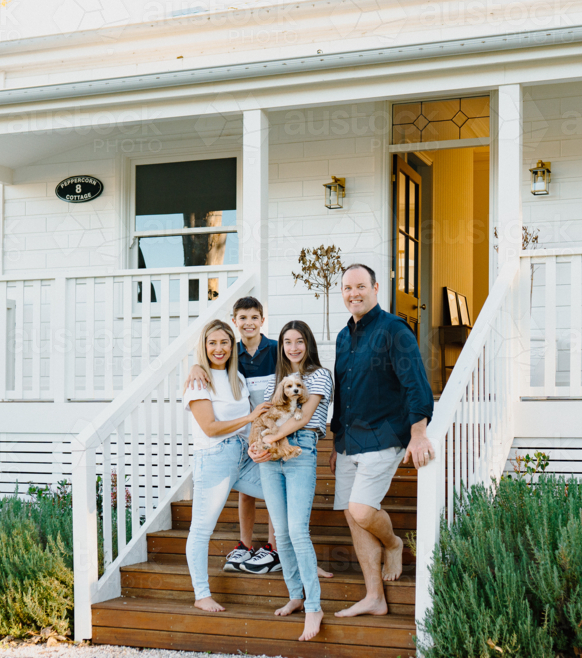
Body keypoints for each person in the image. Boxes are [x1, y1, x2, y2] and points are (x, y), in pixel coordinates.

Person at [185, 297, 333, 579]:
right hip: (246, 431)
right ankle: (245, 544)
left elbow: (296, 392)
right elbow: (210, 364)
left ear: (262, 320)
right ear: (235, 321)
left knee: (276, 489)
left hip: (277, 427)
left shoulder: (277, 350)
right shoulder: (231, 352)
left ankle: (275, 547)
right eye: (242, 318)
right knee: (250, 492)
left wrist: (274, 433)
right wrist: (195, 367)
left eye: (254, 317)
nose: (249, 323)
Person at [330, 263, 434, 618]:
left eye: (360, 286)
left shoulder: (394, 330)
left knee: (362, 510)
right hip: (349, 441)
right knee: (352, 516)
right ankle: (374, 596)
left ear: (375, 288)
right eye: (347, 288)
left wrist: (417, 434)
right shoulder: (344, 337)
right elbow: (342, 394)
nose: (353, 293)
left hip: (384, 435)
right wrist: (336, 440)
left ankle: (393, 543)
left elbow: (416, 384)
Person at [249, 321, 332, 642]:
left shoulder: (320, 375)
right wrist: (257, 446)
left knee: (297, 530)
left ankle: (314, 606)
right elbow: (264, 416)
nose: (294, 347)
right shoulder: (276, 381)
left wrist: (269, 438)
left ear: (308, 344)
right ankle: (295, 595)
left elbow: (304, 417)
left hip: (302, 449)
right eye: (287, 341)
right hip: (270, 455)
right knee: (280, 532)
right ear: (281, 345)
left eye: (299, 341)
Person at [183, 319, 270, 612]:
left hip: (243, 456)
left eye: (223, 343)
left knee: (280, 491)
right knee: (202, 529)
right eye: (212, 343)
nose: (218, 349)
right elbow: (209, 427)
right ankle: (201, 594)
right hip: (214, 458)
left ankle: (290, 556)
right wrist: (248, 419)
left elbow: (247, 425)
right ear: (204, 347)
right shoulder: (198, 381)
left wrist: (256, 443)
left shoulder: (238, 379)